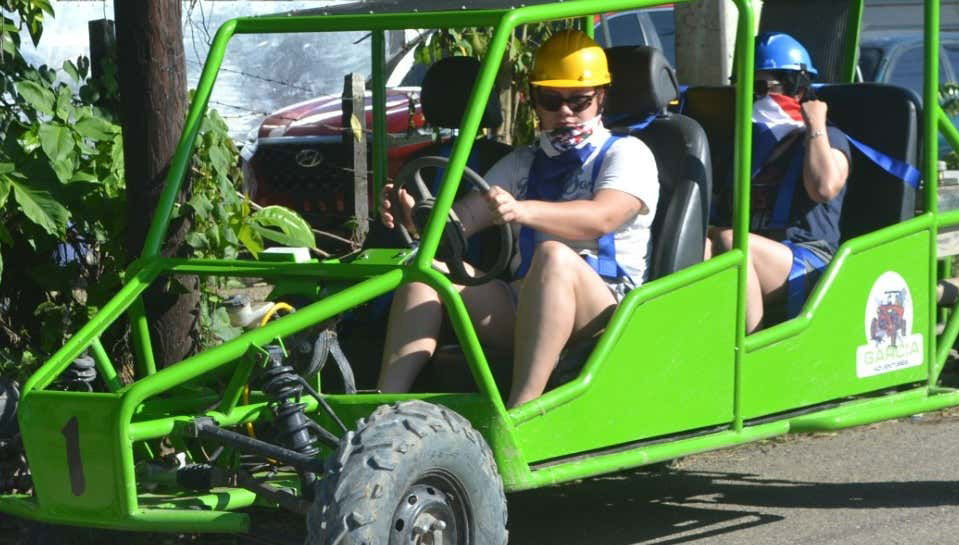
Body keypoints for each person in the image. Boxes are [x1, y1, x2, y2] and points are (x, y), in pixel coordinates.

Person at [376, 29, 660, 407]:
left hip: (607, 310)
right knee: (428, 269)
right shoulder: (521, 163)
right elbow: (461, 222)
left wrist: (523, 210)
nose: (564, 112)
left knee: (554, 256)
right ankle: (380, 407)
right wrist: (416, 221)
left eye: (579, 100)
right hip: (522, 303)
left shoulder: (626, 154)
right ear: (533, 100)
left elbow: (602, 217)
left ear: (601, 98)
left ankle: (520, 412)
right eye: (551, 100)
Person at [706, 32, 851, 332]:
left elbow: (824, 187)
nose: (750, 98)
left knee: (732, 242)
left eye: (760, 88)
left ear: (794, 87)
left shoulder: (828, 139)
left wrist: (815, 126)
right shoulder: (744, 143)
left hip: (809, 257)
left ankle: (750, 352)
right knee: (698, 246)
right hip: (756, 253)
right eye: (741, 87)